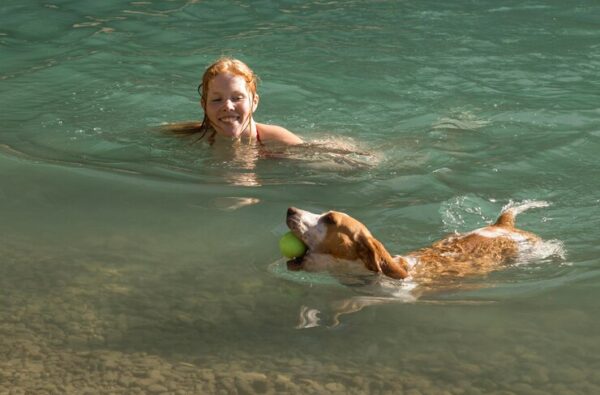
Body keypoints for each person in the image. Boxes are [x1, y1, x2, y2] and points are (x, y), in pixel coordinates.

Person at [166, 57, 303, 146]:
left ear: (254, 102)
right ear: (204, 105)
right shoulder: (192, 136)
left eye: (237, 98)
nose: (227, 106)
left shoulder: (280, 141)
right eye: (216, 99)